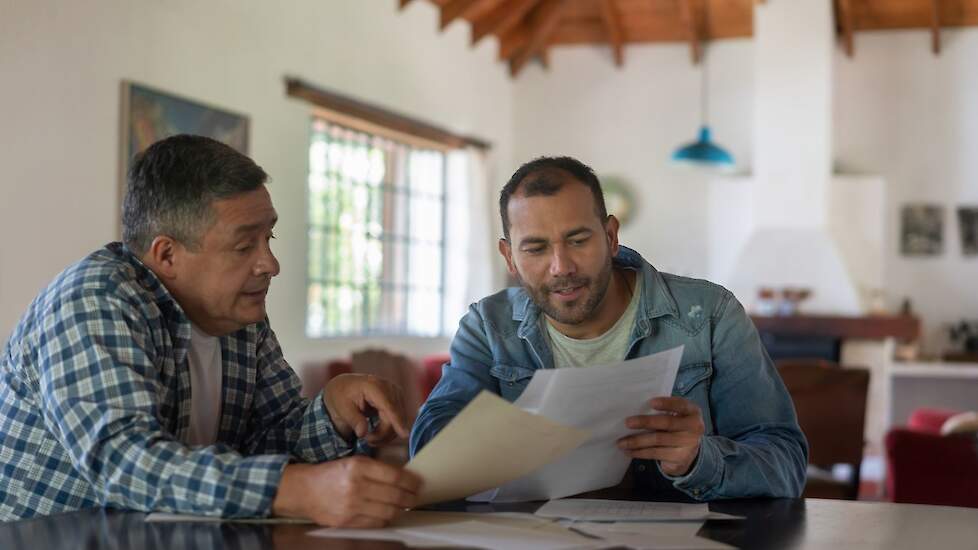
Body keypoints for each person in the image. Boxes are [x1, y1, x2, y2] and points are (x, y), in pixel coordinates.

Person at [0, 135, 421, 525]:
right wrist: (291, 490)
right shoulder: (94, 300)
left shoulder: (236, 316)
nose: (270, 264)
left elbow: (267, 443)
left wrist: (332, 413)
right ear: (167, 255)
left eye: (268, 237)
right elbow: (125, 464)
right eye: (244, 246)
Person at [410, 156, 808, 500]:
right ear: (509, 257)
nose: (561, 266)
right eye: (535, 248)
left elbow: (785, 462)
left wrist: (697, 459)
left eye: (578, 240)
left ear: (611, 236)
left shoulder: (709, 315)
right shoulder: (487, 327)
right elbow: (427, 457)